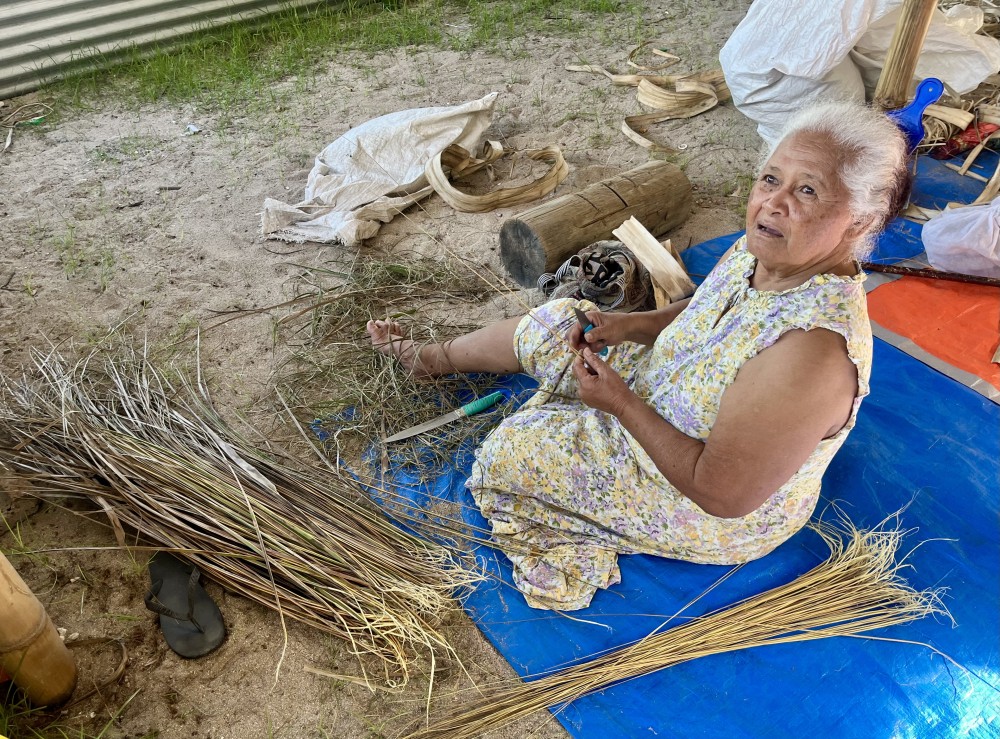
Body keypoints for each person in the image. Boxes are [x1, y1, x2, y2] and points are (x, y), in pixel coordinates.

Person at [367, 101, 911, 611]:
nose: (773, 202)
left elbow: (722, 493)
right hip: (670, 388)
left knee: (511, 452)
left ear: (860, 221)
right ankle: (432, 359)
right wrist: (630, 326)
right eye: (771, 179)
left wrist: (621, 405)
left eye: (808, 191)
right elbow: (707, 309)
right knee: (559, 322)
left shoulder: (811, 354)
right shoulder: (766, 247)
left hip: (701, 500)